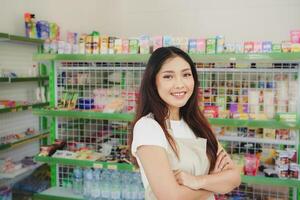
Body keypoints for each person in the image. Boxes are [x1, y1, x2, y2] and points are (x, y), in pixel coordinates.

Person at [130, 46, 241, 200]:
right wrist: (215, 184)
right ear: (153, 82)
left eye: (186, 75)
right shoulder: (148, 127)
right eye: (168, 76)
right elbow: (171, 197)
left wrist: (197, 181)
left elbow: (234, 177)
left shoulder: (197, 124)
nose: (180, 84)